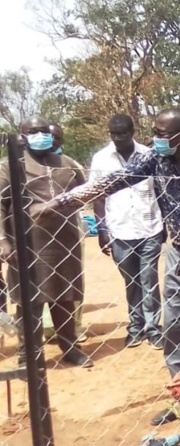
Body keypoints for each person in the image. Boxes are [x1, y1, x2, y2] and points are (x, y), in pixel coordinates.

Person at [49, 108, 180, 425]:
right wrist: (62, 201)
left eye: (161, 134)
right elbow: (114, 181)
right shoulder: (157, 160)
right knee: (175, 326)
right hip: (179, 251)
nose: (155, 139)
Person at [0, 117, 93, 368]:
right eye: (33, 131)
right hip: (27, 245)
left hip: (65, 243)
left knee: (65, 297)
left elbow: (86, 192)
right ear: (23, 136)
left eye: (43, 130)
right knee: (29, 301)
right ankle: (28, 354)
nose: (40, 135)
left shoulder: (67, 164)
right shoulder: (11, 166)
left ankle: (70, 348)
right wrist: (3, 240)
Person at [89, 114, 164, 349]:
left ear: (132, 132)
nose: (118, 138)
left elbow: (161, 191)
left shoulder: (150, 155)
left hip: (150, 227)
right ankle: (136, 326)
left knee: (149, 279)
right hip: (119, 230)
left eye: (123, 134)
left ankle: (153, 329)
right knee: (131, 281)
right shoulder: (101, 159)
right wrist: (102, 230)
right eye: (114, 134)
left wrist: (165, 224)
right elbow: (97, 196)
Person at [48, 123, 89, 344]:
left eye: (57, 137)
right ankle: (46, 330)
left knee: (70, 279)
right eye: (49, 136)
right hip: (35, 232)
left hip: (69, 227)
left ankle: (74, 327)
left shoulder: (71, 165)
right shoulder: (20, 166)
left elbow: (86, 190)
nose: (52, 141)